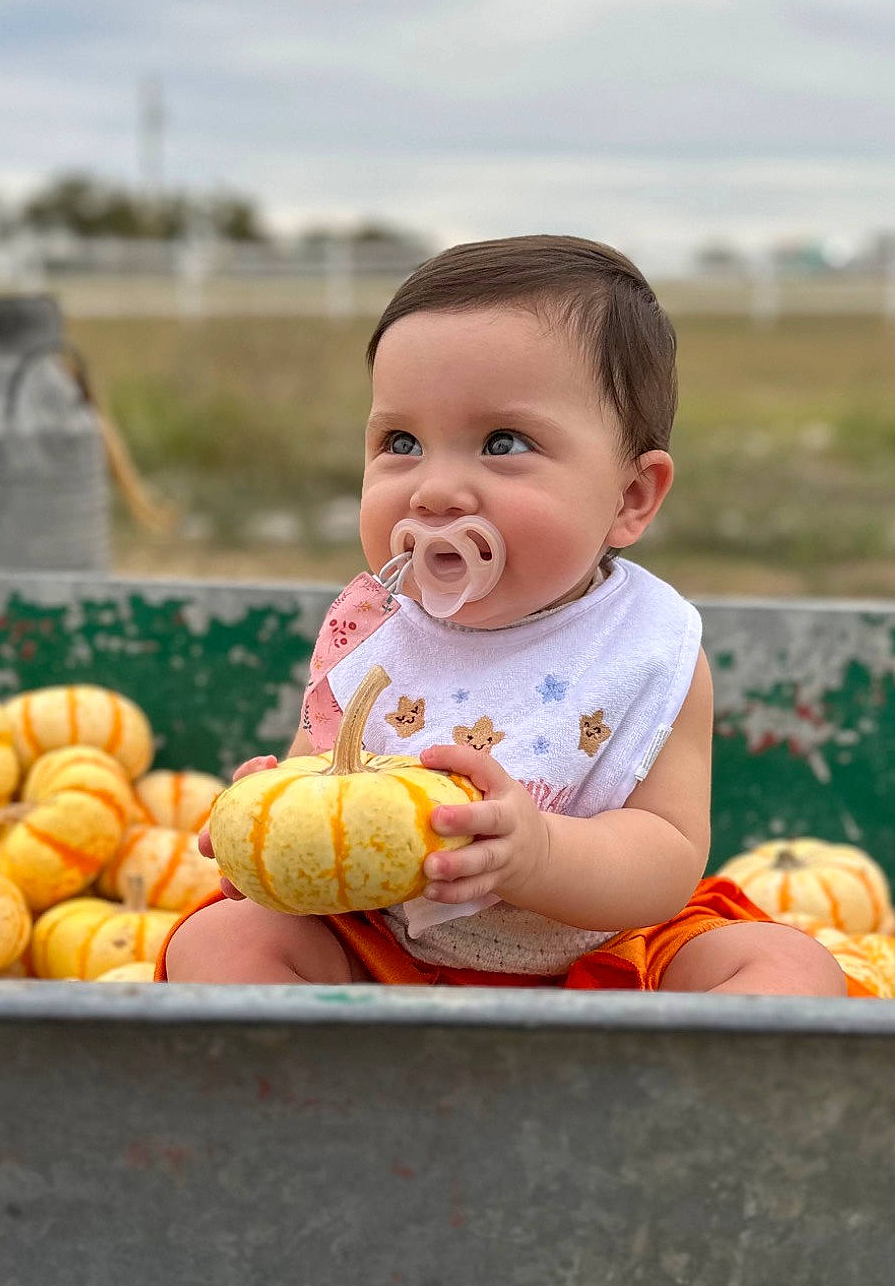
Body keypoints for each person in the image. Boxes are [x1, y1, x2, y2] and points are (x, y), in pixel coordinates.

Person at [161, 235, 843, 996]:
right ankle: (317, 1097)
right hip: (384, 954)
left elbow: (667, 857)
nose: (435, 490)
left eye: (501, 443)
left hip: (607, 958)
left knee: (787, 967)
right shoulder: (373, 625)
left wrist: (539, 855)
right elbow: (318, 769)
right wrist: (270, 827)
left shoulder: (646, 647)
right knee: (226, 938)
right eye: (402, 442)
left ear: (630, 497)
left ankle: (665, 1102)